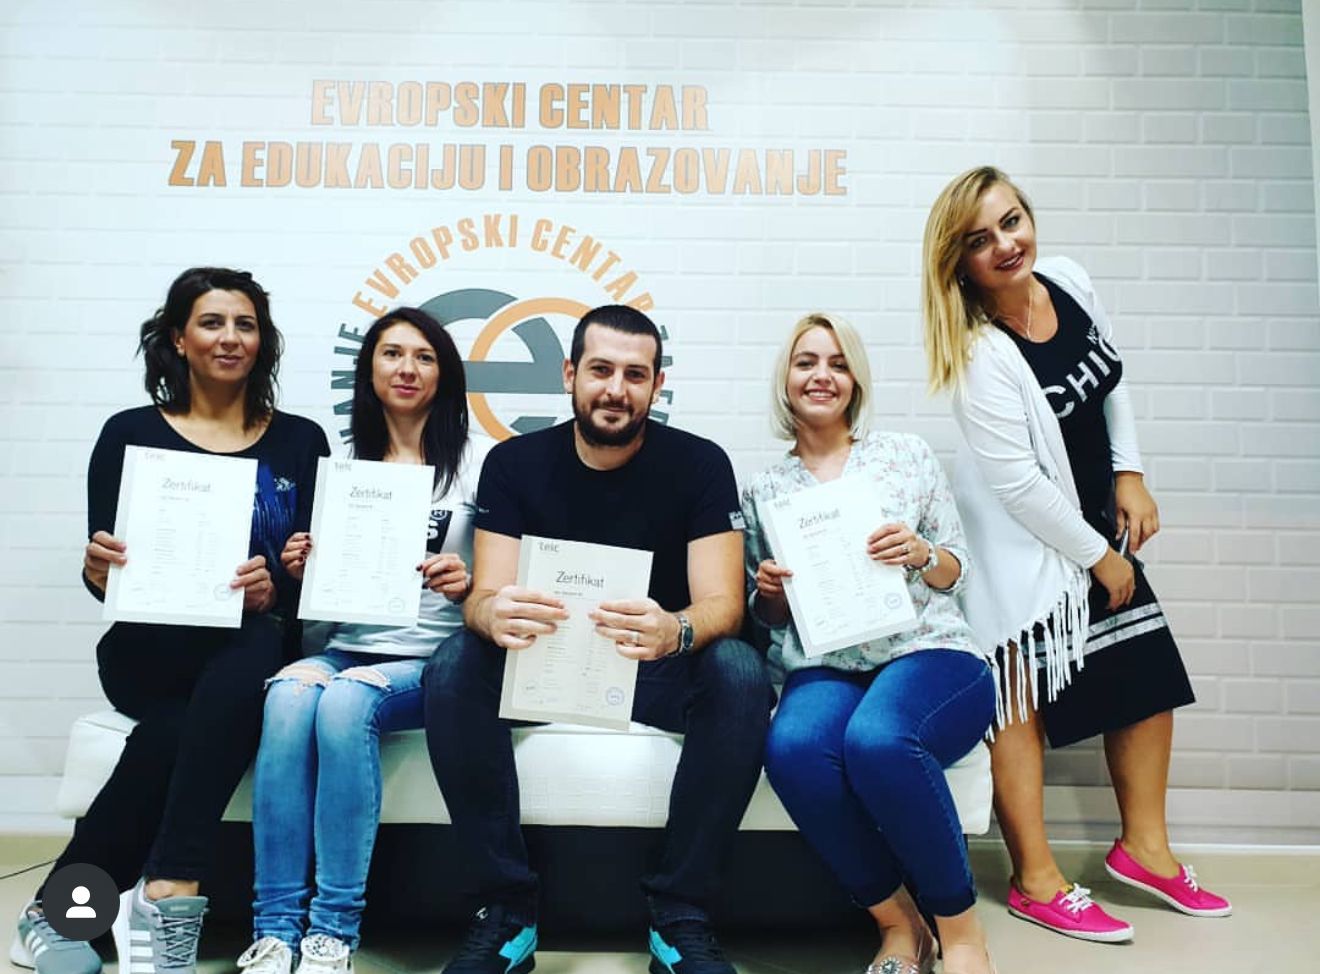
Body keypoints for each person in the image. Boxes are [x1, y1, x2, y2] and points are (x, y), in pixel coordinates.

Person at [921, 166, 1232, 943]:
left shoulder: (1068, 280)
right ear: (959, 263)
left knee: (1144, 669)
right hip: (1016, 543)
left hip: (1090, 517)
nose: (1006, 244)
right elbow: (1021, 487)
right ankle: (1035, 880)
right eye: (980, 239)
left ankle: (1145, 851)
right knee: (1018, 697)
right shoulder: (979, 356)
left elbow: (1110, 378)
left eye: (1012, 220)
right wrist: (1099, 557)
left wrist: (1131, 473)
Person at [422, 304, 773, 974]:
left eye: (635, 375)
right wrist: (492, 613)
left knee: (736, 667)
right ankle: (506, 913)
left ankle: (680, 914)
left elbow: (724, 606)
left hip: (652, 667)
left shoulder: (700, 464)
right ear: (570, 374)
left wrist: (677, 628)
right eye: (601, 370)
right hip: (545, 664)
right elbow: (485, 598)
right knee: (454, 663)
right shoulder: (514, 463)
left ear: (656, 385)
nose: (616, 389)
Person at [11, 268, 329, 974]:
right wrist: (97, 571)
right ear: (179, 339)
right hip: (149, 651)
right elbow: (106, 570)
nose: (230, 338)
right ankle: (169, 884)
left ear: (263, 342)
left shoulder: (301, 441)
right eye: (212, 322)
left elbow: (311, 576)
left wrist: (278, 584)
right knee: (221, 682)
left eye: (245, 324)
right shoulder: (128, 433)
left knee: (195, 709)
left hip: (251, 649)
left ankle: (61, 914)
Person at [235, 308, 489, 974]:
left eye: (425, 357)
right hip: (347, 646)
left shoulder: (480, 465)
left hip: (431, 656)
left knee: (347, 702)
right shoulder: (342, 471)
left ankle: (333, 931)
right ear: (369, 370)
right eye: (392, 354)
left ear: (445, 374)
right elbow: (318, 615)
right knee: (288, 696)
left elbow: (503, 584)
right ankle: (274, 929)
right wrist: (302, 572)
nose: (407, 369)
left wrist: (468, 585)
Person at [742, 313, 996, 974]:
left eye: (837, 363)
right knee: (793, 748)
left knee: (878, 739)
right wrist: (768, 591)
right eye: (806, 362)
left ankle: (961, 934)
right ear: (786, 379)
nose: (821, 375)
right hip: (826, 662)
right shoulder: (766, 490)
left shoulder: (905, 455)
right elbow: (768, 618)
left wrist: (920, 552)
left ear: (855, 380)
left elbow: (958, 570)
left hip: (927, 650)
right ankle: (899, 923)